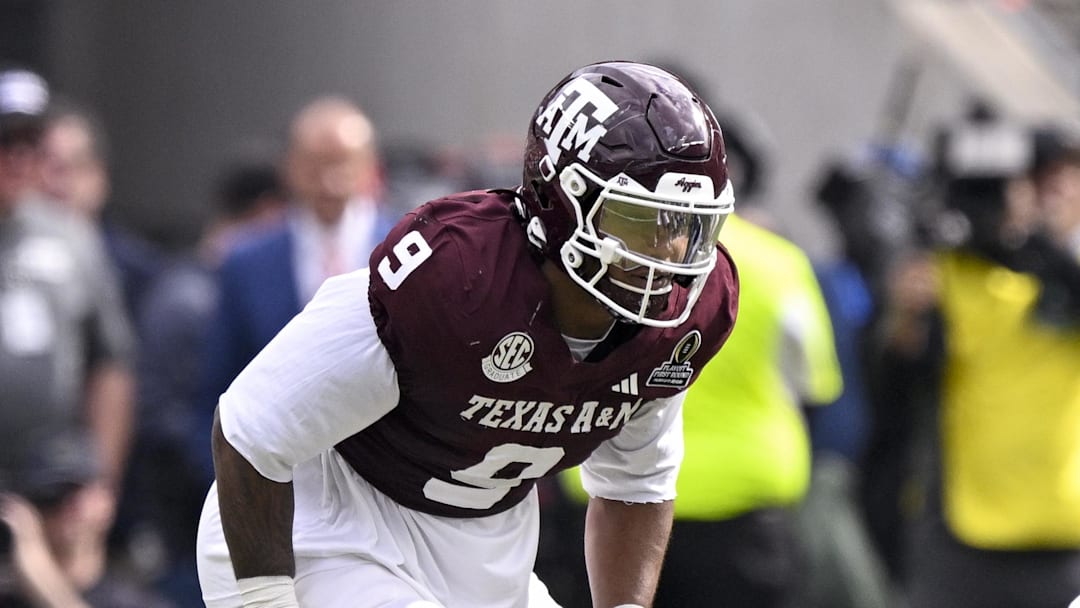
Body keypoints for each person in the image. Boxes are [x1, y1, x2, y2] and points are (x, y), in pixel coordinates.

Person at [195, 60, 739, 608]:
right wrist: (263, 598)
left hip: (487, 548)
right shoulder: (455, 278)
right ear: (562, 202)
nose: (671, 255)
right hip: (325, 527)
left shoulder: (677, 322)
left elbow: (634, 487)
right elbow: (250, 430)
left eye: (689, 227)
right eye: (642, 222)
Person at [874, 115, 1080, 608]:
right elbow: (895, 388)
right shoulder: (953, 273)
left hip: (1062, 545)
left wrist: (1040, 245)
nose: (1050, 195)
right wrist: (905, 319)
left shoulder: (1063, 279)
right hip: (962, 541)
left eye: (1063, 181)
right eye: (1036, 181)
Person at [0, 63, 142, 605]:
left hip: (51, 489)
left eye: (30, 141)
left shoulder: (71, 236)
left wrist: (99, 484)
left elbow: (111, 364)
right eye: (4, 140)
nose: (18, 156)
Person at [197, 96, 398, 458]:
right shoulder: (246, 262)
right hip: (277, 469)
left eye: (343, 165)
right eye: (315, 166)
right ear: (289, 167)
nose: (330, 182)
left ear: (370, 167)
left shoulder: (407, 251)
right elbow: (219, 384)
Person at [38, 102, 165, 317]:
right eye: (43, 167)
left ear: (99, 176)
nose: (55, 184)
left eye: (69, 167)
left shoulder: (145, 276)